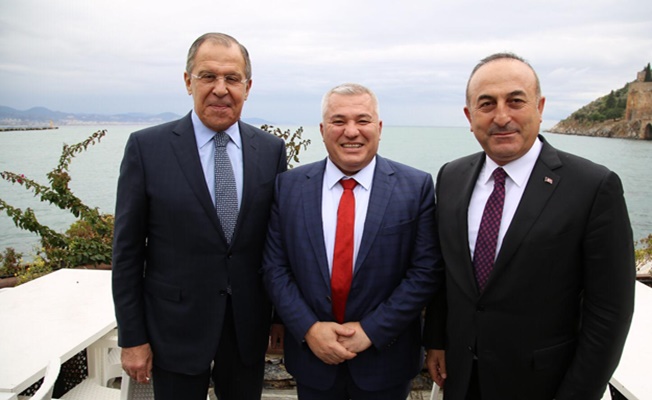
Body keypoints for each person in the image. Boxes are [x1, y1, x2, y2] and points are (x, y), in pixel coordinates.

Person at [423, 53, 636, 400]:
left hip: (543, 384)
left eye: (516, 101)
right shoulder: (451, 177)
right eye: (487, 104)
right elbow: (447, 273)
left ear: (539, 107)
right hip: (461, 378)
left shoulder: (593, 187)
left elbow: (610, 311)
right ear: (469, 116)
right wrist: (436, 341)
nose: (501, 117)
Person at [112, 32, 287, 400]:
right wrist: (133, 337)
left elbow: (277, 243)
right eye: (208, 76)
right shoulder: (147, 148)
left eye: (232, 78)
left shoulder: (270, 150)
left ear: (247, 87)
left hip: (247, 328)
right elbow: (127, 253)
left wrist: (278, 318)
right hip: (173, 329)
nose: (220, 89)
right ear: (188, 81)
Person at [262, 83, 443, 400]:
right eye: (338, 121)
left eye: (362, 120)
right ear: (322, 130)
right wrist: (309, 329)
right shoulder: (289, 187)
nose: (351, 131)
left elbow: (425, 271)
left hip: (385, 362)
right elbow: (275, 267)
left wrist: (372, 330)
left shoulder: (416, 187)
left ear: (379, 127)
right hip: (312, 361)